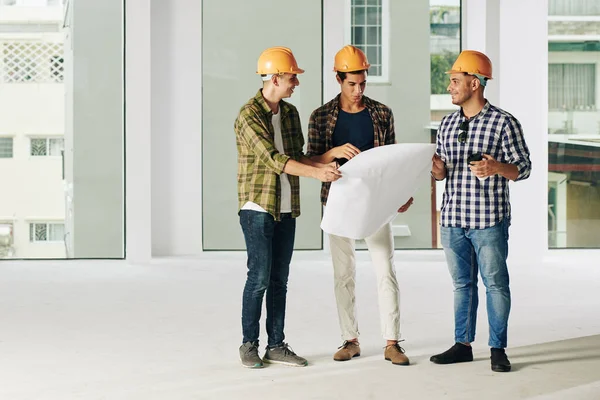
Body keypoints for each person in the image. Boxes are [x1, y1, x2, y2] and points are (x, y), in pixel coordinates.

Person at [234, 46, 341, 369]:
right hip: (257, 207)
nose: (296, 83)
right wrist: (317, 173)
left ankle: (276, 345)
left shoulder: (291, 113)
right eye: (292, 77)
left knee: (280, 279)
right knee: (260, 278)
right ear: (276, 78)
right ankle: (249, 345)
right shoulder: (248, 115)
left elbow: (298, 156)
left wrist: (327, 157)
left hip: (285, 207)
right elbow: (275, 160)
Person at [307, 45, 413, 366]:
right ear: (338, 79)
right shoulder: (321, 116)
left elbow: (393, 160)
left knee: (385, 270)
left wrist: (401, 193)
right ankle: (350, 340)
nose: (358, 90)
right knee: (344, 274)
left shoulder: (381, 113)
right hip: (338, 203)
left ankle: (392, 342)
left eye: (363, 83)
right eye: (351, 84)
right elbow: (310, 161)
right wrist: (334, 151)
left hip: (377, 203)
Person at [429, 50, 532, 372]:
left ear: (475, 83)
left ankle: (497, 349)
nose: (450, 87)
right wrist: (435, 169)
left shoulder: (504, 122)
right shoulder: (446, 124)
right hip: (452, 219)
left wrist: (496, 166)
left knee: (496, 285)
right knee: (462, 285)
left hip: (488, 221)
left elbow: (524, 168)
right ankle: (462, 344)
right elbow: (443, 171)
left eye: (456, 81)